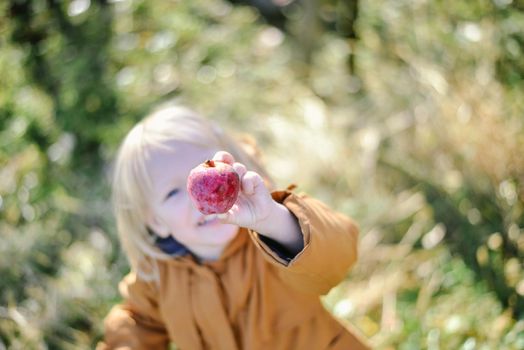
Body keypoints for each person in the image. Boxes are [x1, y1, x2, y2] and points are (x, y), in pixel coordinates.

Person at [97, 103, 371, 350]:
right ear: (155, 221)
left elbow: (339, 256)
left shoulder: (268, 238)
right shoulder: (156, 276)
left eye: (204, 171)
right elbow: (139, 321)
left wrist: (274, 222)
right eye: (172, 193)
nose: (196, 197)